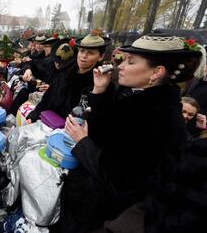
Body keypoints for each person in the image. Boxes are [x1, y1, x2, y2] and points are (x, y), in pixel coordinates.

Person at [58, 34, 202, 233]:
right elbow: (105, 133)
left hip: (106, 211)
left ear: (156, 72)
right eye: (123, 59)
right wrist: (99, 89)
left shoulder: (154, 115)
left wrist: (82, 141)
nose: (121, 66)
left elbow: (118, 178)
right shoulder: (142, 98)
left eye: (131, 61)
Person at [26, 33, 111, 123]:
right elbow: (48, 97)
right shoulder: (66, 72)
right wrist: (35, 113)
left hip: (71, 131)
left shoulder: (102, 82)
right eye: (82, 51)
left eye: (91, 53)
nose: (84, 56)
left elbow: (95, 117)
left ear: (101, 57)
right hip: (51, 122)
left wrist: (98, 91)